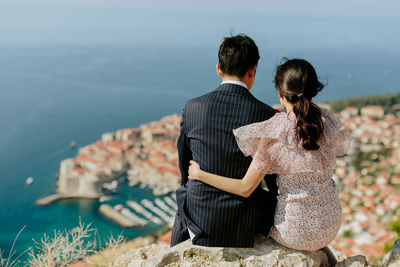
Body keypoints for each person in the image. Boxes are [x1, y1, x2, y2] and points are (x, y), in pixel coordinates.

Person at [188, 58, 353, 251]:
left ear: (280, 93)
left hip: (294, 234)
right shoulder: (327, 123)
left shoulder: (277, 133)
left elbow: (244, 188)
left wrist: (199, 174)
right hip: (330, 227)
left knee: (253, 199)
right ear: (313, 90)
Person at [170, 34, 278, 247]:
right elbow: (274, 179)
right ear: (253, 71)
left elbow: (185, 160)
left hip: (199, 216)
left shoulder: (192, 108)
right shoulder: (267, 115)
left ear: (219, 69)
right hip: (243, 221)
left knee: (184, 191)